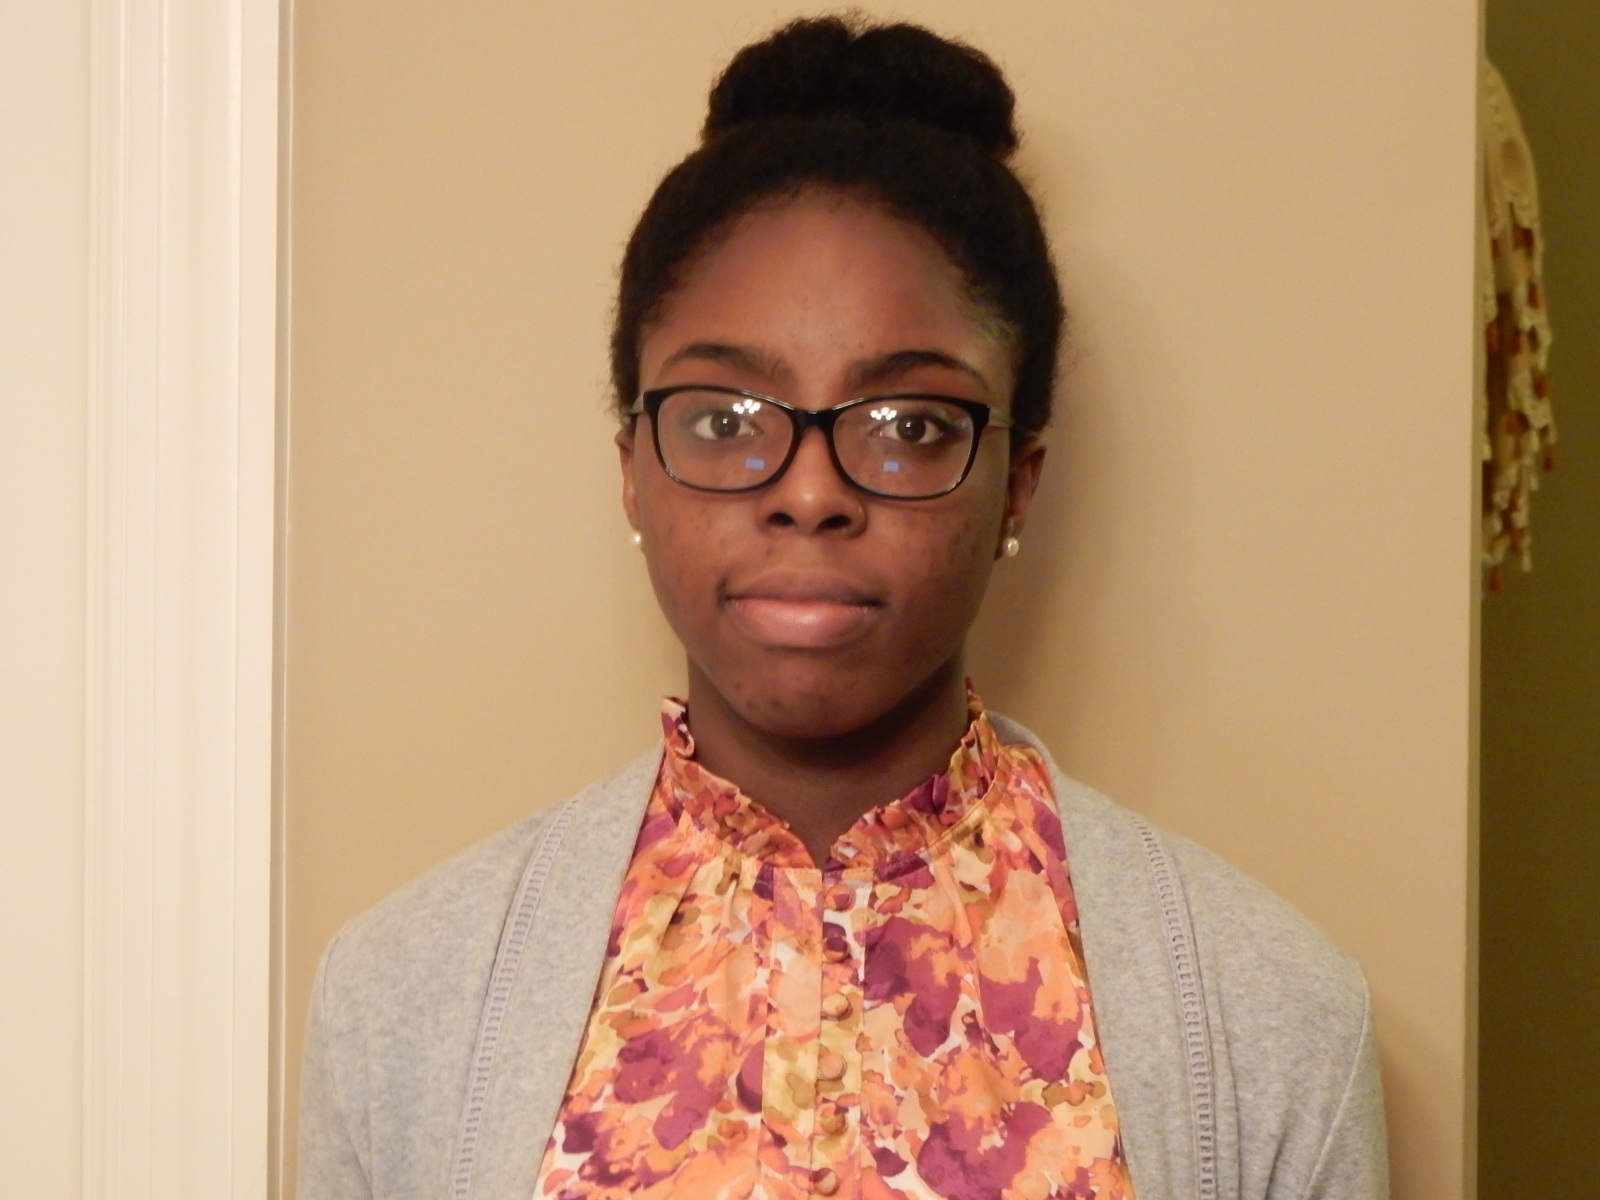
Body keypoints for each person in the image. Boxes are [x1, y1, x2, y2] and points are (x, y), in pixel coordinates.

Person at [299, 17, 1387, 1200]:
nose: (809, 493)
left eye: (908, 425)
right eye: (724, 419)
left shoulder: (1276, 1018)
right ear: (632, 470)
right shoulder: (397, 999)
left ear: (1016, 481)